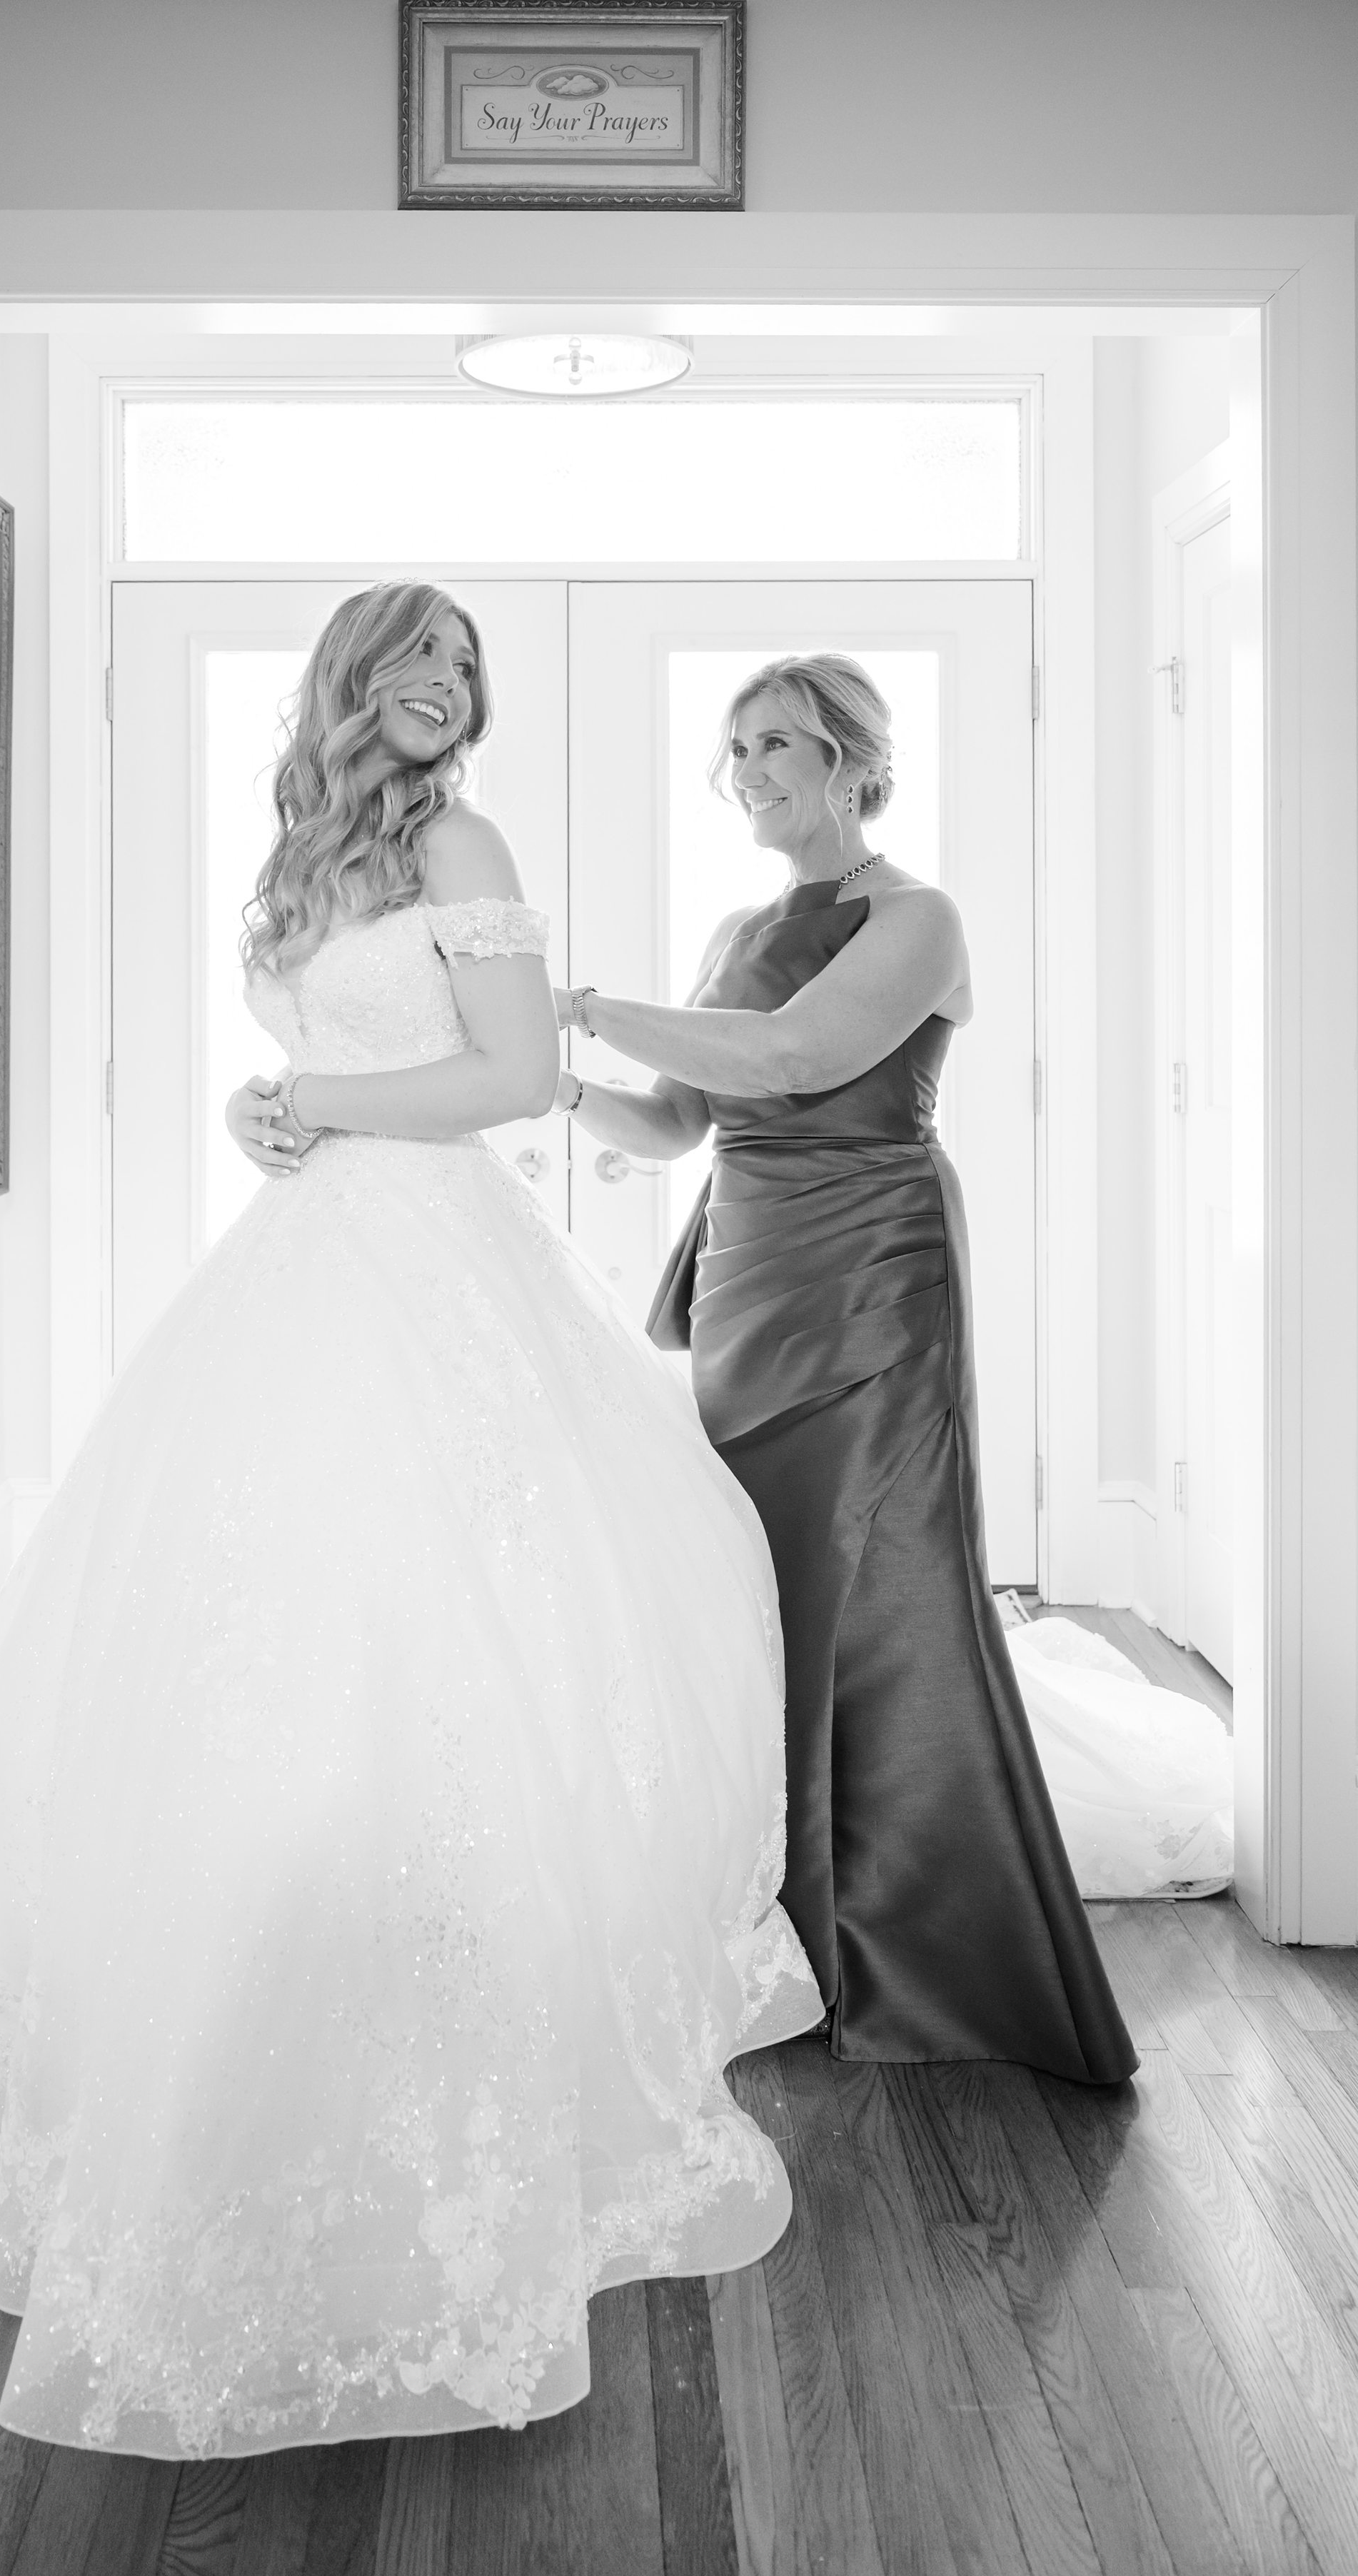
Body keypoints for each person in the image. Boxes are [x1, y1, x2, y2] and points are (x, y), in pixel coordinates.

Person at [0, 582, 822, 2460]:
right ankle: (267, 1987)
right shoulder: (300, 850)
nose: (440, 694)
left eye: (464, 672)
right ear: (353, 684)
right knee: (264, 1638)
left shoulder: (472, 838)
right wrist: (262, 1113)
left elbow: (514, 1081)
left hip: (438, 1256)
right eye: (412, 665)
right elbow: (323, 1066)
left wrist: (307, 1098)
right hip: (309, 1251)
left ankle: (459, 1999)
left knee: (458, 1633)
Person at [557, 651, 1137, 2086]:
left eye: (782, 746)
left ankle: (898, 1935)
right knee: (753, 1586)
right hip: (750, 1269)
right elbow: (677, 1122)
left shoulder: (918, 917)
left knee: (873, 1579)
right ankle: (763, 1904)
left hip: (872, 1273)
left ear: (854, 762)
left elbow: (790, 1055)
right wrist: (556, 1085)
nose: (752, 773)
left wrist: (579, 1005)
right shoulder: (738, 923)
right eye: (738, 749)